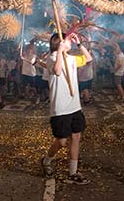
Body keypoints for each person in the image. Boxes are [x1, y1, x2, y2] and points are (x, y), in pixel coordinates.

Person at [41, 33, 92, 185]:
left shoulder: (71, 58)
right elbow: (57, 71)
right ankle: (47, 160)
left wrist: (80, 44)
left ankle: (73, 171)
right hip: (60, 107)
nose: (70, 41)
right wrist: (59, 52)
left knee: (76, 137)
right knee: (62, 141)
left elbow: (88, 59)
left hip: (75, 106)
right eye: (68, 40)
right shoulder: (51, 58)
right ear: (59, 42)